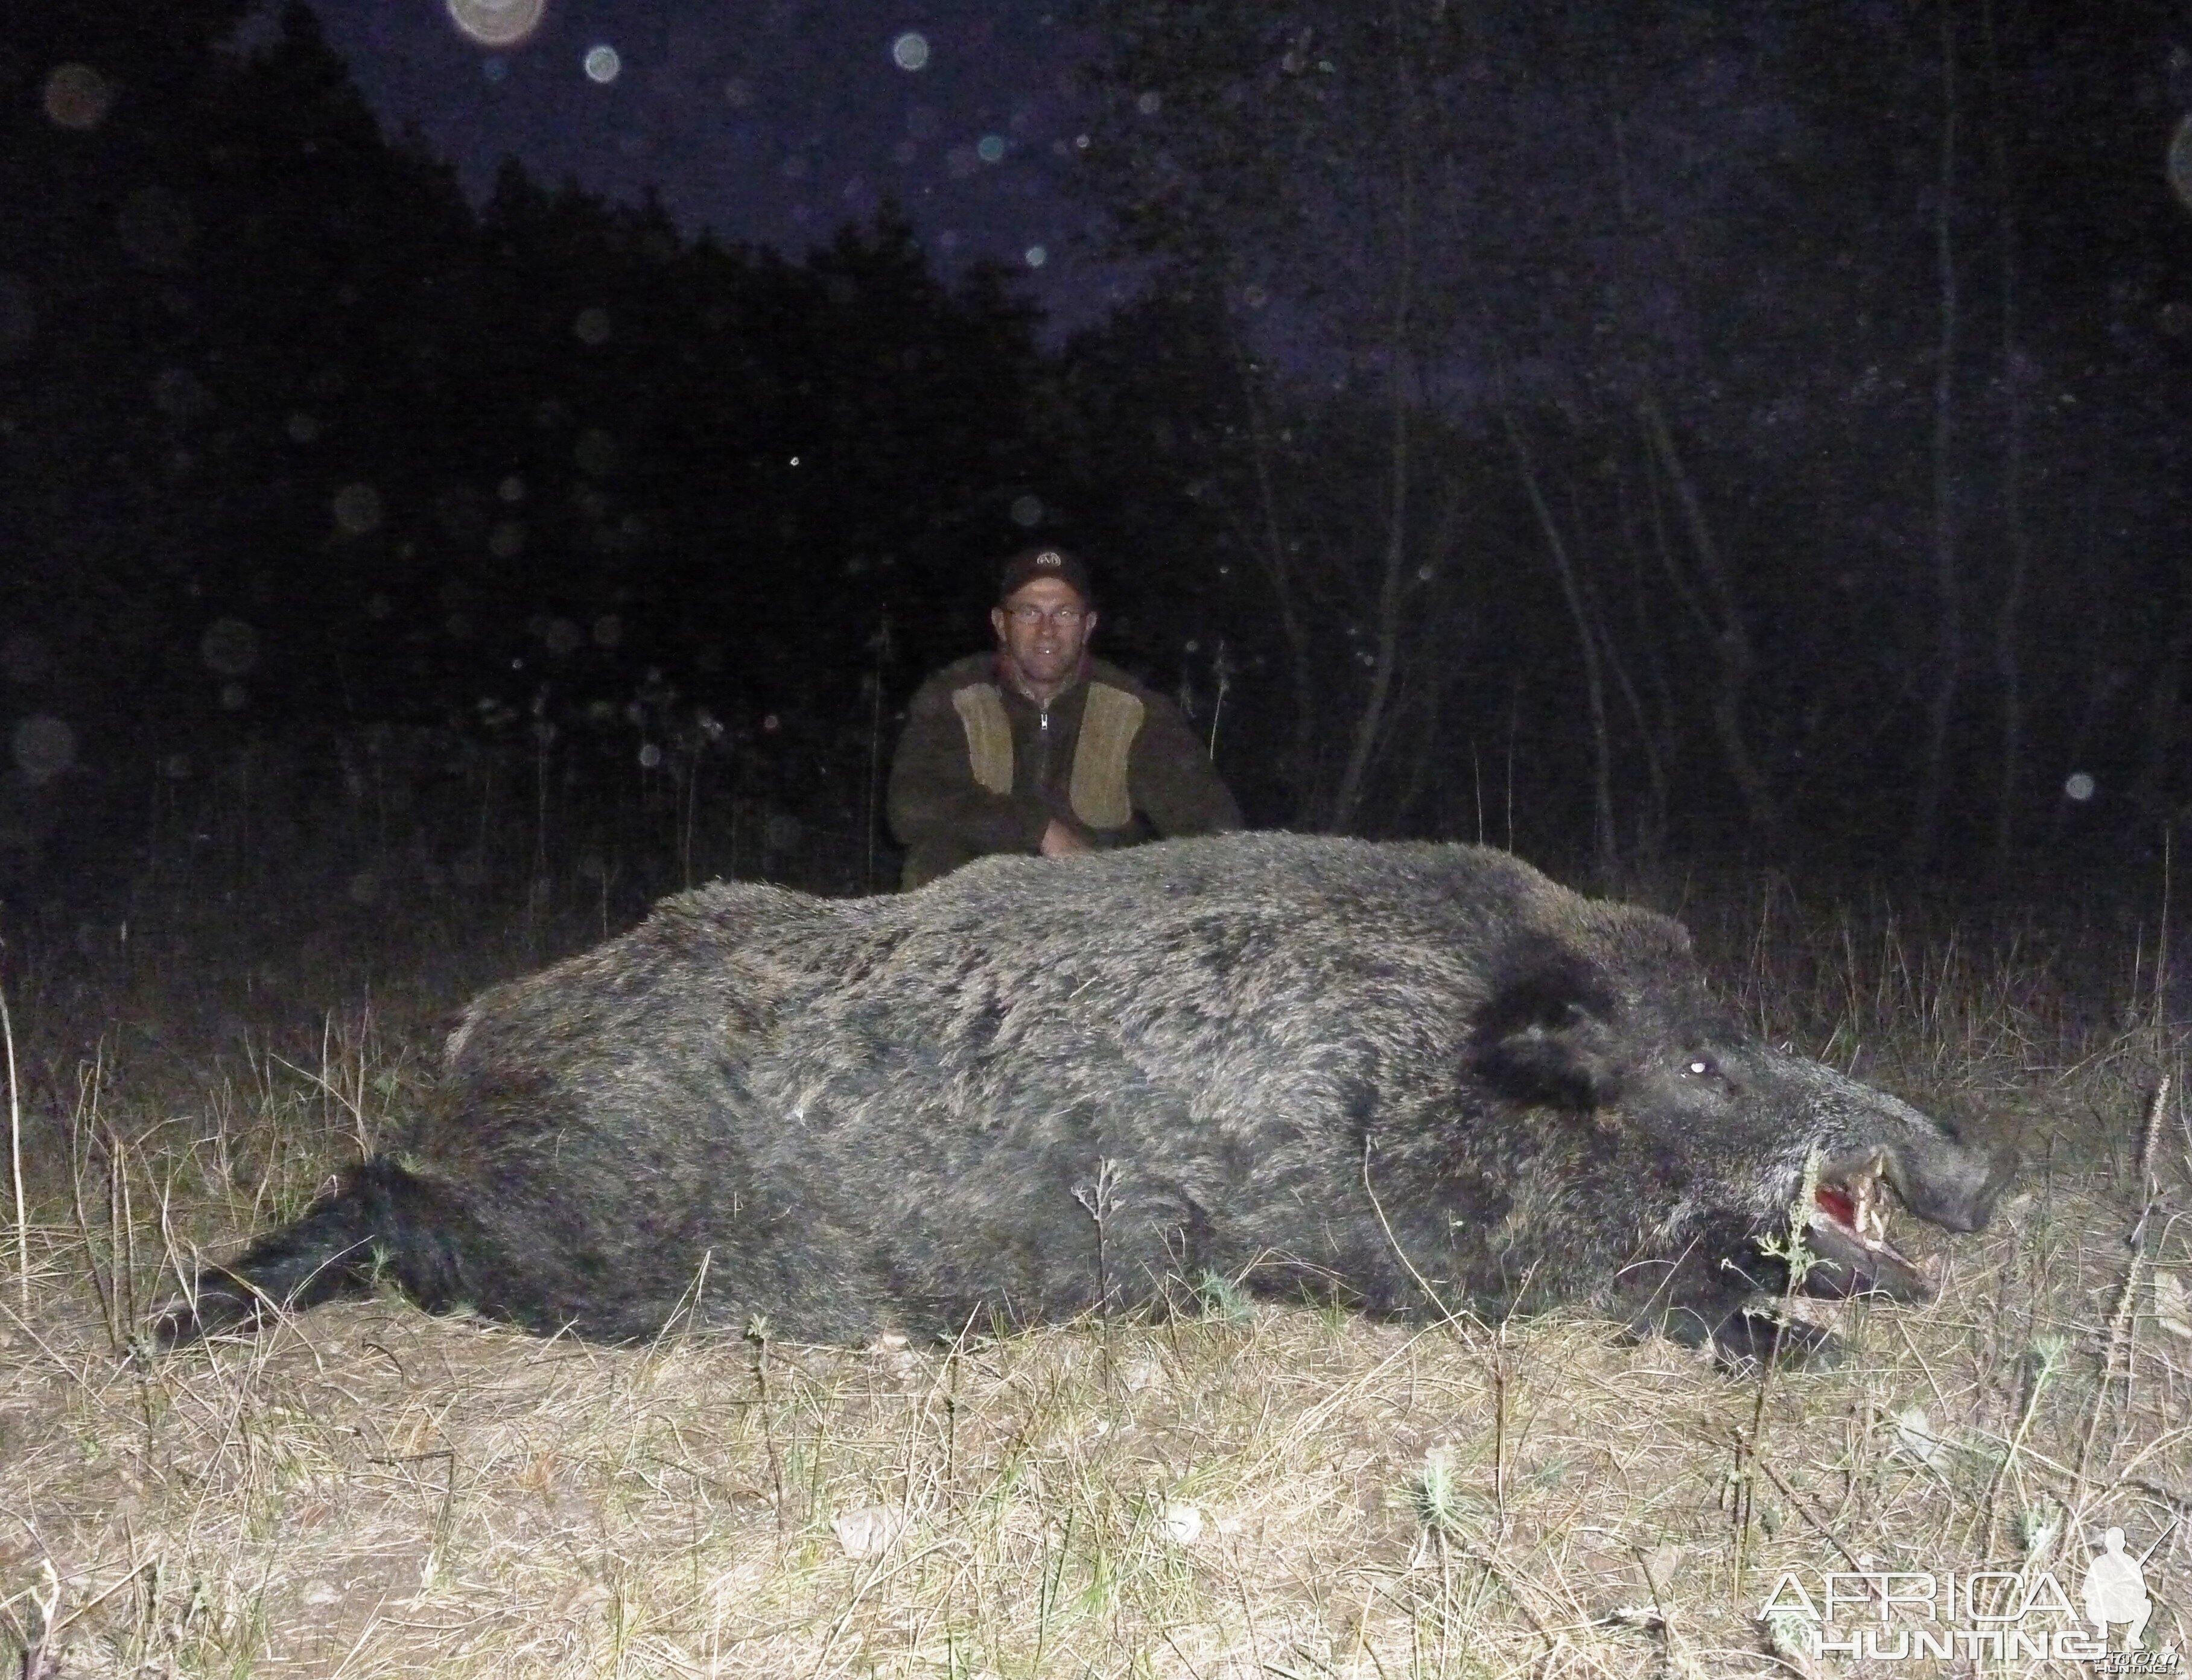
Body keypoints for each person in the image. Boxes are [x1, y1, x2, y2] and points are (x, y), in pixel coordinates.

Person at [887, 546, 1242, 889]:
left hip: (1095, 903)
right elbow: (912, 805)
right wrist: (1039, 829)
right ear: (1000, 624)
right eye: (1028, 612)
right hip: (979, 902)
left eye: (1065, 613)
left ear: (1088, 625)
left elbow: (1213, 828)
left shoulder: (1134, 711)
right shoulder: (954, 698)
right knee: (934, 860)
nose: (1047, 631)